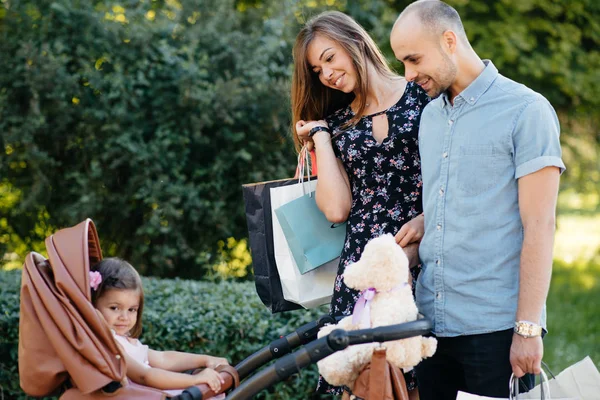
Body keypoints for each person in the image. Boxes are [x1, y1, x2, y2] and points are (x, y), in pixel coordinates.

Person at [389, 1, 565, 399]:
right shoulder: (429, 118)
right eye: (402, 62)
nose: (408, 74)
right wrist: (422, 223)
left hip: (495, 333)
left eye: (413, 59)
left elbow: (540, 227)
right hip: (430, 328)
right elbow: (461, 195)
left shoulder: (526, 111)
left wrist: (528, 330)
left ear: (449, 41)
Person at [291, 10, 430, 397]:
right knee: (367, 384)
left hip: (423, 260)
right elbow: (336, 209)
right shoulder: (336, 124)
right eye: (317, 70)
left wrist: (426, 218)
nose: (327, 74)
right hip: (364, 271)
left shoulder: (422, 94)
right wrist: (320, 136)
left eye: (330, 58)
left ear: (354, 42)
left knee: (419, 378)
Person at [91, 257, 230, 397]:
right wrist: (194, 380)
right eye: (115, 308)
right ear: (92, 306)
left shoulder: (125, 340)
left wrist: (205, 359)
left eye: (132, 309)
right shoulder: (109, 346)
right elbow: (144, 376)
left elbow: (163, 358)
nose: (124, 317)